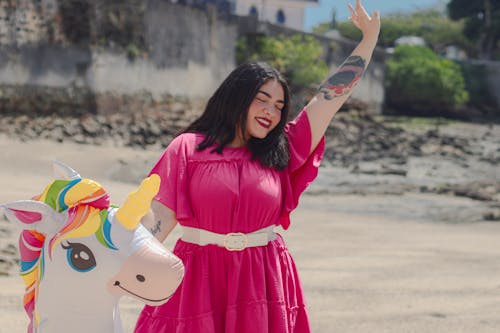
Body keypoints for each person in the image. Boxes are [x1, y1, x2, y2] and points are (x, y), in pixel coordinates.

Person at [135, 1, 380, 332]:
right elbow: (160, 223)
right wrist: (115, 248)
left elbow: (330, 97)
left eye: (279, 106)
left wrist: (368, 41)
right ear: (236, 97)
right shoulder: (188, 148)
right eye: (262, 100)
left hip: (262, 276)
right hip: (198, 277)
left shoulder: (284, 149)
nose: (271, 112)